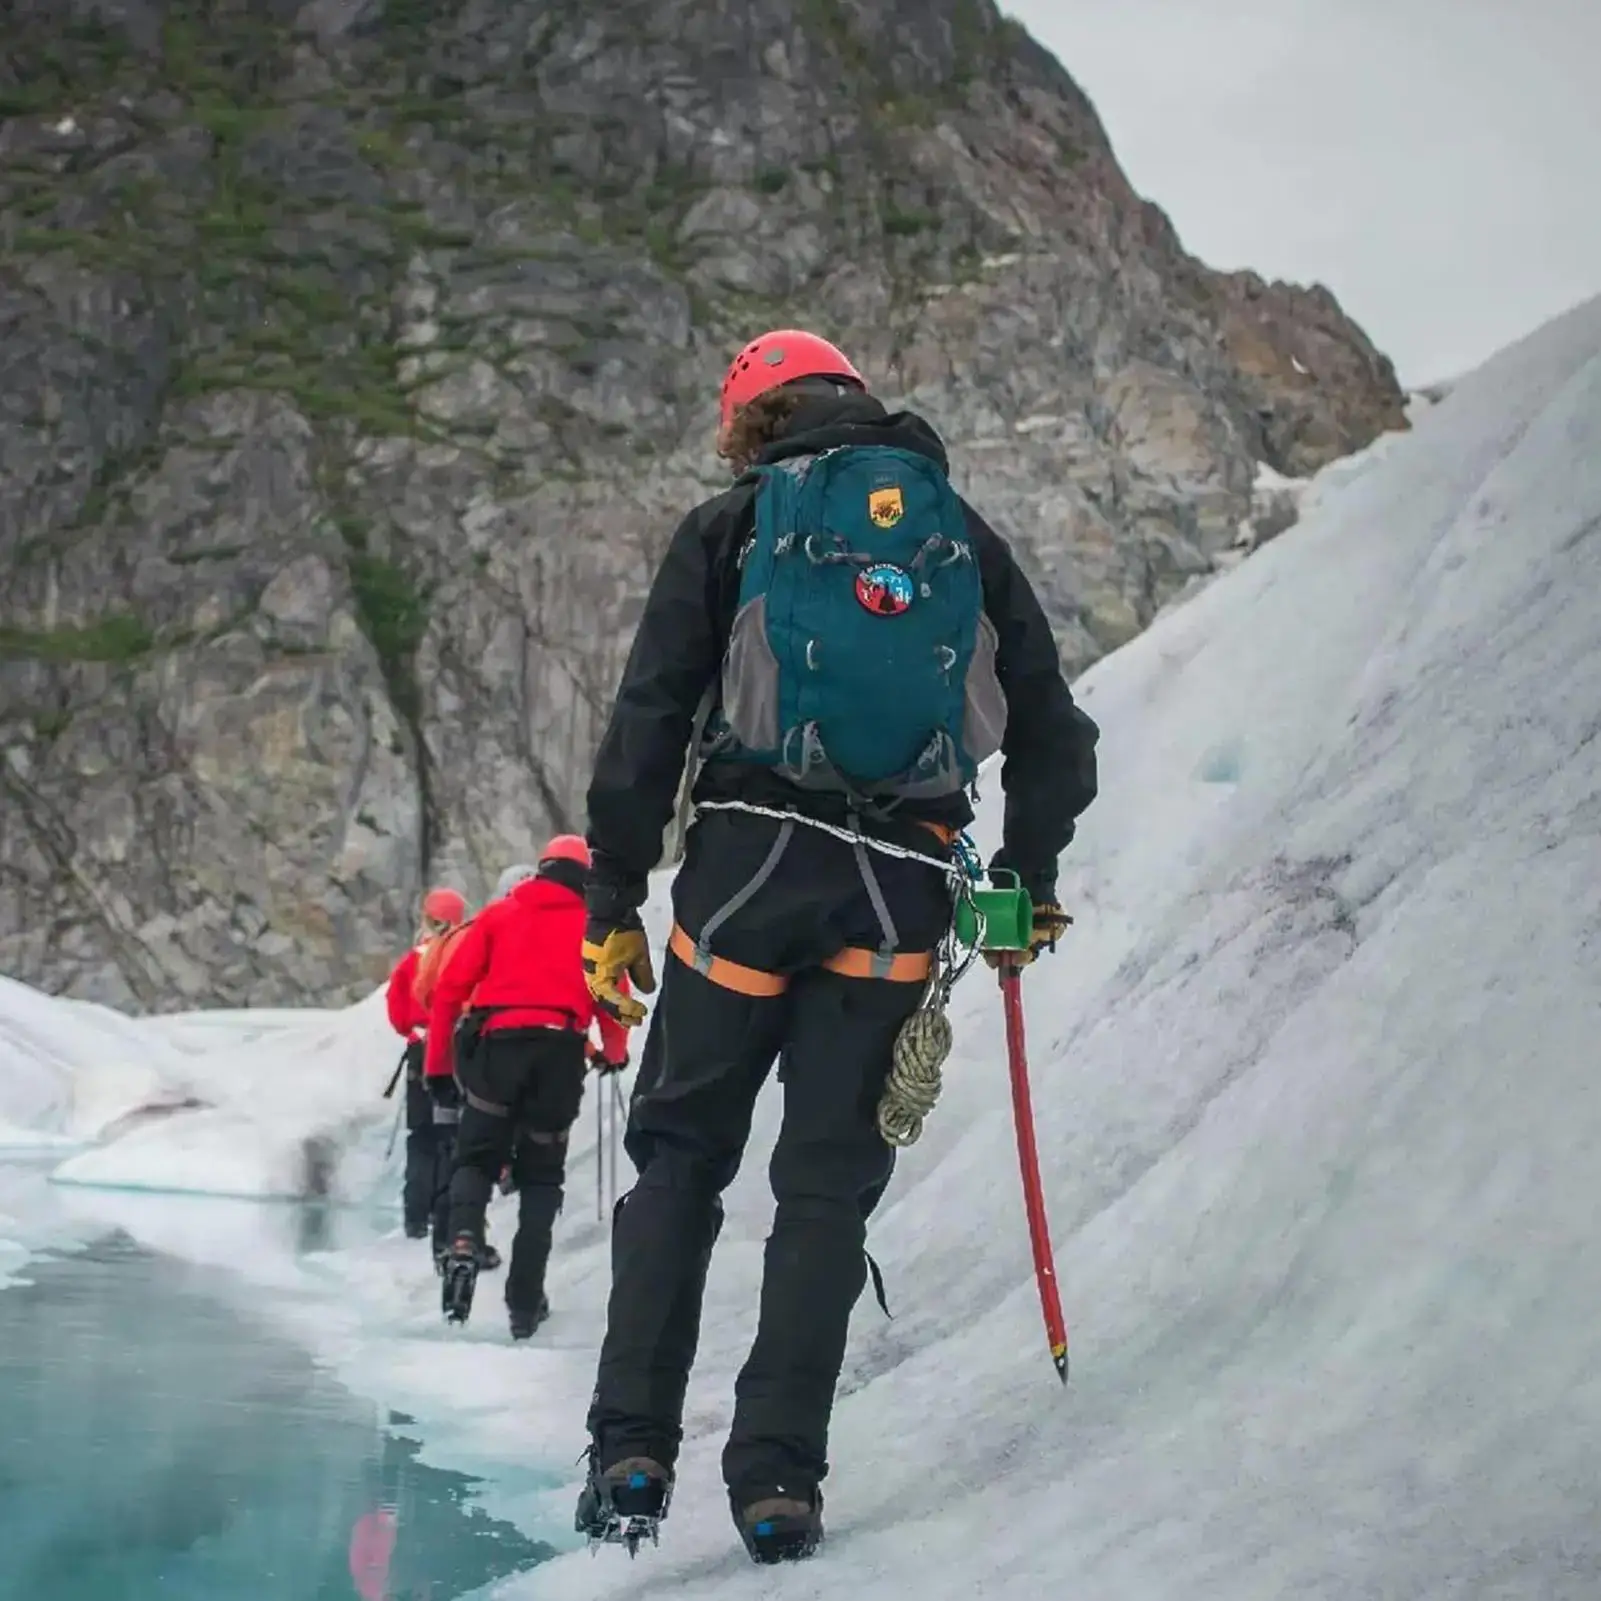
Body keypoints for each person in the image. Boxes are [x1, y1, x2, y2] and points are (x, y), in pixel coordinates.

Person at [573, 329, 1100, 1562]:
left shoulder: (730, 527)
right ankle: (776, 1484)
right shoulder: (954, 536)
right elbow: (1054, 733)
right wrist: (1024, 880)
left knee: (680, 1162)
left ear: (751, 421)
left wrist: (609, 898)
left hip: (746, 870)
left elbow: (648, 715)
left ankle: (631, 1453)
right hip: (900, 890)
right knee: (821, 1193)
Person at [427, 838, 630, 1337]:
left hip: (498, 1050)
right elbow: (613, 1000)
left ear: (541, 870)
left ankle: (463, 1243)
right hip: (560, 1056)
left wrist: (438, 1066)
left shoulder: (499, 916)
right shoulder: (595, 928)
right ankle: (524, 1302)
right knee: (541, 1180)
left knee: (475, 1159)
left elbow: (450, 990)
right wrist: (613, 1052)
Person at [384, 887, 467, 1240]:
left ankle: (415, 1217)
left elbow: (397, 1010)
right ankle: (443, 1212)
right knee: (451, 1134)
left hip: (421, 1049)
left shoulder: (412, 961)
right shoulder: (463, 952)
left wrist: (413, 1029)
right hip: (456, 1052)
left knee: (421, 1137)